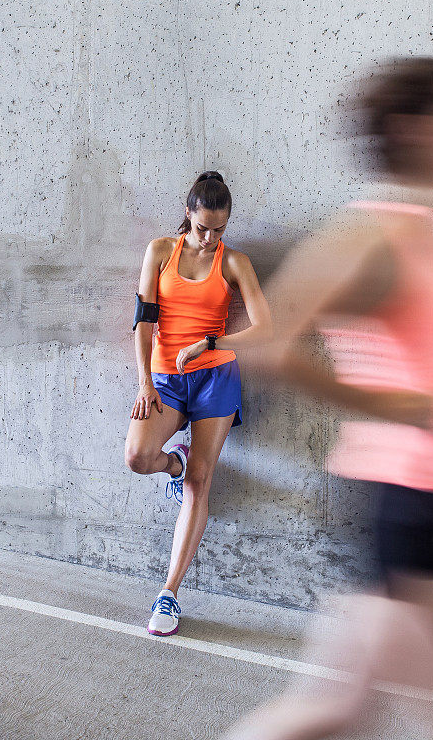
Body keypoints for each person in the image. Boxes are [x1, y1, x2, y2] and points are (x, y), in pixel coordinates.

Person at [221, 58, 433, 740]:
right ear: (415, 130)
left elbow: (432, 338)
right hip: (404, 504)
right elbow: (266, 345)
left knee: (349, 710)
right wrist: (395, 409)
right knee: (360, 714)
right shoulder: (373, 232)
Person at [124, 171, 272, 636]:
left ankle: (168, 595)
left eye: (220, 230)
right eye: (204, 227)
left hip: (216, 378)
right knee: (137, 456)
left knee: (201, 481)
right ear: (189, 213)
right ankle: (174, 464)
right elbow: (144, 320)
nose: (210, 238)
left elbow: (266, 326)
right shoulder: (160, 252)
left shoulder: (234, 262)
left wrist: (211, 341)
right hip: (166, 380)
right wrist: (145, 381)